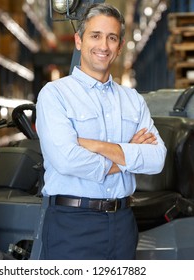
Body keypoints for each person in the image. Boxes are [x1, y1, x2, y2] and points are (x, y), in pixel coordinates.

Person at [35, 3, 166, 260]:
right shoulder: (55, 94)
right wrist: (129, 154)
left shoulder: (133, 100)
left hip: (123, 223)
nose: (103, 46)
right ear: (79, 41)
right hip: (72, 225)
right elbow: (67, 160)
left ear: (119, 46)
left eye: (112, 38)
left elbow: (157, 158)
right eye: (95, 36)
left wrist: (93, 145)